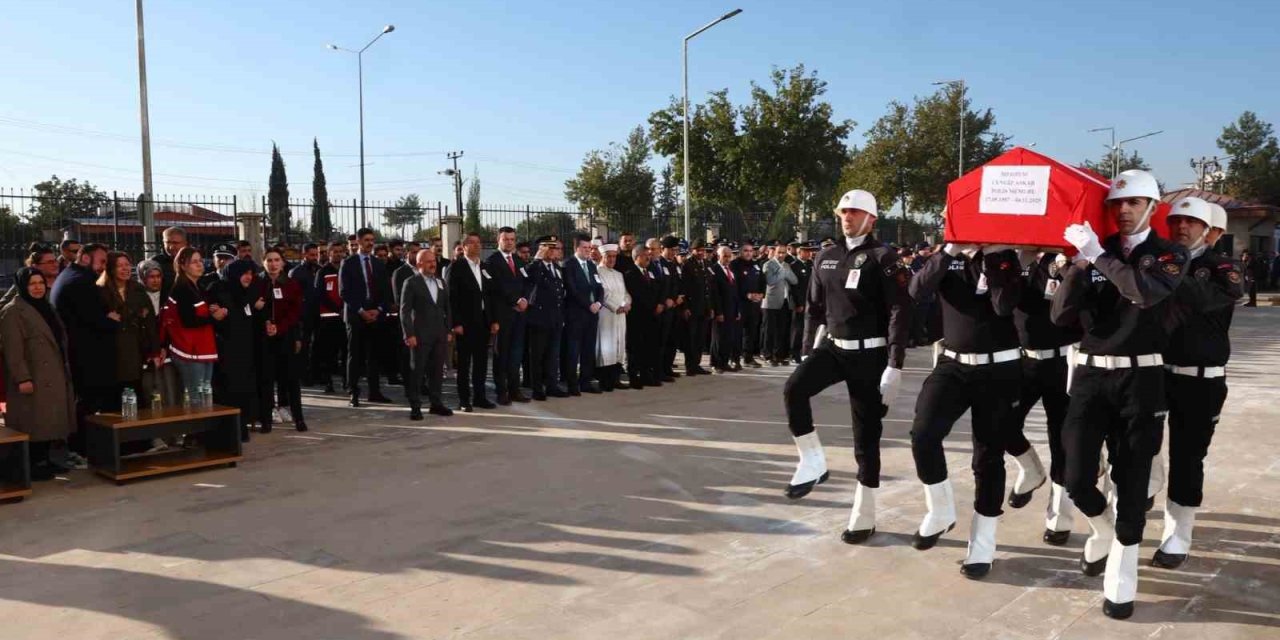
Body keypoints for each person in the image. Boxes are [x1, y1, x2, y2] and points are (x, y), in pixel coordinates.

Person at [1052, 169, 1188, 619]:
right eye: (1117, 204)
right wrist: (1075, 264)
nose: (1124, 211)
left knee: (1131, 481)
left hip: (1141, 381)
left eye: (1133, 203)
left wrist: (1095, 255)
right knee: (1074, 477)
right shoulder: (1096, 251)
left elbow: (1143, 293)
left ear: (1152, 207)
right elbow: (1061, 316)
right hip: (1090, 377)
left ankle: (1123, 571)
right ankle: (1102, 530)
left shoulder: (1170, 255)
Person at [783, 190, 911, 548]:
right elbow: (814, 308)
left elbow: (901, 311)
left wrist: (895, 365)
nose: (846, 217)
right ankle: (812, 462)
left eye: (854, 212)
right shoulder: (826, 255)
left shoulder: (884, 257)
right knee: (794, 389)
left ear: (871, 218)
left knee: (865, 438)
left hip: (870, 357)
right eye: (843, 211)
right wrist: (808, 350)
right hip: (834, 348)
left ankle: (864, 514)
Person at [907, 225, 1025, 578]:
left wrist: (992, 254)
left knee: (988, 456)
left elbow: (1003, 305)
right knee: (923, 434)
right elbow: (917, 289)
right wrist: (949, 250)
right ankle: (940, 510)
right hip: (953, 364)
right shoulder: (949, 258)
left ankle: (983, 541)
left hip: (1000, 369)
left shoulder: (1007, 259)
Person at [1151, 197, 1242, 570]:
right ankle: (1145, 490)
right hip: (1156, 372)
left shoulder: (1223, 267)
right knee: (1138, 443)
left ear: (1208, 231)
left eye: (1190, 222)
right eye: (1176, 222)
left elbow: (1204, 299)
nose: (1181, 228)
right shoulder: (1161, 261)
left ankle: (1178, 535)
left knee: (1188, 458)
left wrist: (1167, 267)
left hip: (1200, 381)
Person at [1006, 250, 1081, 546]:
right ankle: (1030, 469)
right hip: (1023, 360)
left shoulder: (1068, 258)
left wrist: (1066, 266)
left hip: (1063, 360)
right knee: (1001, 423)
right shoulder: (1014, 259)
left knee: (1060, 440)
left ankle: (1059, 517)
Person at [0, 268, 77, 481]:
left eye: (40, 283)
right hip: (32, 376)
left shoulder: (47, 308)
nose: (37, 287)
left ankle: (47, 460)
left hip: (52, 372)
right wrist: (22, 378)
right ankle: (33, 464)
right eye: (32, 283)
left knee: (49, 421)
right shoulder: (13, 311)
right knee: (34, 422)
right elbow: (13, 350)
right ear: (22, 286)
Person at [50, 243, 120, 442]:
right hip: (86, 355)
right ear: (87, 259)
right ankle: (80, 447)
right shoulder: (81, 282)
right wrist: (110, 319)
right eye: (102, 261)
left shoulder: (70, 276)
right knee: (87, 403)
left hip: (80, 352)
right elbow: (96, 319)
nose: (104, 267)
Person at [210, 258, 265, 439]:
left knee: (244, 390)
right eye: (245, 273)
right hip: (227, 351)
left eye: (251, 273)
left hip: (245, 351)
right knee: (229, 390)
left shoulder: (247, 293)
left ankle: (243, 426)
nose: (248, 277)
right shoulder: (219, 290)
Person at [161, 248, 221, 411]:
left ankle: (204, 433)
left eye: (201, 261)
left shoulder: (198, 286)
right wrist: (213, 316)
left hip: (204, 347)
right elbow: (188, 321)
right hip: (189, 350)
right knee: (196, 396)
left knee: (206, 392)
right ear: (183, 265)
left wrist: (213, 310)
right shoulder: (181, 288)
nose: (200, 265)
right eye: (194, 262)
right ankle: (195, 435)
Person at [339, 227, 392, 407]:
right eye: (367, 240)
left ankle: (374, 392)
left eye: (372, 240)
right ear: (359, 241)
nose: (370, 243)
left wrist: (378, 310)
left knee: (374, 355)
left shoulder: (378, 264)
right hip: (356, 316)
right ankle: (353, 392)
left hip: (375, 316)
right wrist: (361, 311)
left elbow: (385, 291)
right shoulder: (348, 263)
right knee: (355, 355)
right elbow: (344, 291)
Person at [98, 252, 156, 411]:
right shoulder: (101, 290)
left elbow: (148, 317)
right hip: (112, 349)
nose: (125, 269)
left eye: (127, 265)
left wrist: (154, 348)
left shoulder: (137, 288)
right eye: (120, 266)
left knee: (136, 389)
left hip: (135, 347)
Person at [401, 248, 452, 420]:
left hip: (439, 334)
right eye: (429, 261)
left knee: (437, 371)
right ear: (419, 263)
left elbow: (447, 308)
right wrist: (409, 334)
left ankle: (436, 403)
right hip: (420, 335)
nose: (433, 264)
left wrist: (449, 330)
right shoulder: (411, 282)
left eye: (434, 261)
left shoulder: (441, 282)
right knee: (417, 371)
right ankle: (415, 406)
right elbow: (405, 311)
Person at [260, 249, 307, 432]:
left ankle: (299, 419)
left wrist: (280, 328)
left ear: (282, 263)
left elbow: (295, 312)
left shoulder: (291, 284)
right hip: (264, 338)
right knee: (266, 380)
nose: (273, 264)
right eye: (269, 260)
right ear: (264, 262)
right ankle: (266, 420)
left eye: (276, 260)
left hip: (285, 336)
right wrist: (266, 324)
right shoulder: (258, 282)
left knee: (291, 380)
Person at [448, 232, 495, 412]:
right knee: (465, 364)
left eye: (478, 242)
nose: (477, 246)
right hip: (465, 324)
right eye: (472, 243)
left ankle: (480, 397)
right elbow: (452, 298)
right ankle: (464, 400)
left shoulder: (484, 266)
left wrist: (493, 320)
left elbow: (490, 295)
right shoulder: (457, 267)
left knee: (482, 362)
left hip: (483, 322)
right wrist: (456, 323)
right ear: (464, 246)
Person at [484, 226, 531, 405]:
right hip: (503, 316)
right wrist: (516, 300)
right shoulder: (491, 262)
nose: (509, 242)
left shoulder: (519, 261)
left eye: (512, 239)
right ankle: (501, 391)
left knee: (516, 355)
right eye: (506, 239)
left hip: (520, 316)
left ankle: (514, 389)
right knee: (501, 356)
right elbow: (496, 288)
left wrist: (525, 299)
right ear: (499, 240)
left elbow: (526, 282)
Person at [525, 236, 568, 400]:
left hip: (555, 318)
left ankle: (552, 385)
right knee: (537, 355)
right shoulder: (535, 266)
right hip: (539, 318)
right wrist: (537, 259)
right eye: (548, 248)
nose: (552, 251)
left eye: (554, 248)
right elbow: (529, 279)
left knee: (553, 355)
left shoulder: (556, 267)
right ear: (541, 249)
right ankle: (537, 388)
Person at [562, 234, 605, 395]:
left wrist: (599, 303)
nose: (588, 251)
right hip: (576, 315)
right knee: (573, 351)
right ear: (576, 248)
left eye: (590, 248)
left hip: (592, 315)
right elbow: (572, 290)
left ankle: (585, 382)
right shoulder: (568, 265)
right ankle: (572, 384)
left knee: (588, 350)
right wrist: (589, 305)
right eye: (585, 248)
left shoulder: (592, 265)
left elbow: (600, 287)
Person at [136, 260, 181, 413]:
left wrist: (164, 348)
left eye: (158, 276)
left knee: (170, 391)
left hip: (167, 353)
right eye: (151, 277)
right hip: (146, 356)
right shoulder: (137, 297)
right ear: (143, 278)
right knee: (151, 393)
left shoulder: (169, 296)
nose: (155, 280)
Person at [624, 245, 664, 389]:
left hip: (651, 317)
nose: (649, 257)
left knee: (649, 347)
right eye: (645, 255)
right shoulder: (630, 274)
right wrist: (653, 306)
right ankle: (634, 377)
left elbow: (657, 289)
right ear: (637, 257)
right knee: (635, 348)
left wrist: (659, 303)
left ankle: (647, 375)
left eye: (649, 254)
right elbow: (638, 295)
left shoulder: (650, 272)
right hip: (637, 318)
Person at [594, 244, 630, 391]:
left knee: (618, 345)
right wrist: (618, 306)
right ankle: (605, 380)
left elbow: (625, 293)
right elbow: (604, 293)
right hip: (607, 314)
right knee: (606, 347)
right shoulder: (598, 272)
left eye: (614, 256)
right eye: (609, 256)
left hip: (621, 316)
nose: (612, 259)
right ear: (602, 256)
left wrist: (627, 304)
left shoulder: (618, 274)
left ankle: (615, 378)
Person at [313, 243, 347, 393]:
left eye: (341, 251)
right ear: (329, 253)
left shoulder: (347, 270)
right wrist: (337, 309)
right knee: (328, 353)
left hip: (345, 318)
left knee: (346, 351)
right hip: (328, 319)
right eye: (335, 252)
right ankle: (328, 382)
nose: (338, 254)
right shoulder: (323, 272)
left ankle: (347, 382)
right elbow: (320, 294)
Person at [680, 239, 713, 376]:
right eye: (698, 250)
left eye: (703, 250)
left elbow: (708, 288)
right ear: (692, 251)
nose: (700, 253)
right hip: (692, 307)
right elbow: (685, 288)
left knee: (700, 337)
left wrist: (710, 307)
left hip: (704, 306)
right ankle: (690, 365)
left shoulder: (706, 264)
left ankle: (697, 363)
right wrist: (685, 307)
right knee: (691, 338)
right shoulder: (687, 265)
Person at [290, 243, 321, 385]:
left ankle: (317, 374)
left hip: (318, 315)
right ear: (304, 255)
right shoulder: (297, 272)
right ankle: (303, 375)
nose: (315, 258)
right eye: (312, 255)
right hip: (303, 316)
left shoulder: (320, 270)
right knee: (303, 347)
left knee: (317, 346)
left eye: (317, 255)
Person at [762, 242, 798, 366]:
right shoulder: (768, 264)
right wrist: (782, 273)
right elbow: (771, 281)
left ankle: (779, 355)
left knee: (781, 330)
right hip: (770, 302)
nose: (782, 255)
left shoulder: (787, 265)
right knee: (769, 330)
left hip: (784, 302)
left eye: (783, 252)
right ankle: (767, 355)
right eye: (779, 252)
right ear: (774, 253)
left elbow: (794, 280)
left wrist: (785, 272)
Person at [654, 237, 684, 380]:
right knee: (662, 341)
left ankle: (668, 367)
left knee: (672, 339)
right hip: (664, 309)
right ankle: (659, 370)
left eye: (676, 250)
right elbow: (658, 286)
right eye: (671, 249)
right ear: (663, 249)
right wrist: (665, 300)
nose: (674, 252)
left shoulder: (673, 265)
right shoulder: (658, 264)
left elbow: (677, 284)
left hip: (675, 308)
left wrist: (678, 297)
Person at [731, 242, 764, 368]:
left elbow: (762, 280)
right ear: (740, 252)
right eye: (746, 250)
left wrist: (761, 294)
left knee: (751, 332)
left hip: (754, 304)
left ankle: (748, 358)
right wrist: (746, 295)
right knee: (737, 333)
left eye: (751, 251)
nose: (749, 253)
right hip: (740, 304)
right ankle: (735, 359)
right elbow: (734, 285)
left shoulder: (756, 265)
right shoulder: (735, 265)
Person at [708, 245, 740, 374]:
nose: (727, 259)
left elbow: (734, 291)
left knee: (728, 337)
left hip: (731, 308)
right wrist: (718, 311)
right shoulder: (714, 270)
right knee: (718, 338)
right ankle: (715, 363)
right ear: (718, 256)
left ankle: (724, 362)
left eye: (729, 256)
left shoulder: (730, 270)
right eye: (724, 256)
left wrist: (737, 310)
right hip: (721, 309)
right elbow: (714, 293)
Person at [789, 242, 814, 363]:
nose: (809, 253)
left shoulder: (811, 264)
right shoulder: (794, 266)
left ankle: (806, 351)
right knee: (797, 329)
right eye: (806, 251)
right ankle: (795, 353)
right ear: (799, 251)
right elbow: (794, 288)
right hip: (799, 303)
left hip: (810, 302)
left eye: (810, 251)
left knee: (807, 329)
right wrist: (798, 304)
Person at [152, 227, 188, 301]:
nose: (171, 247)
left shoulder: (193, 261)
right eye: (168, 242)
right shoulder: (155, 263)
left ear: (185, 243)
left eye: (175, 243)